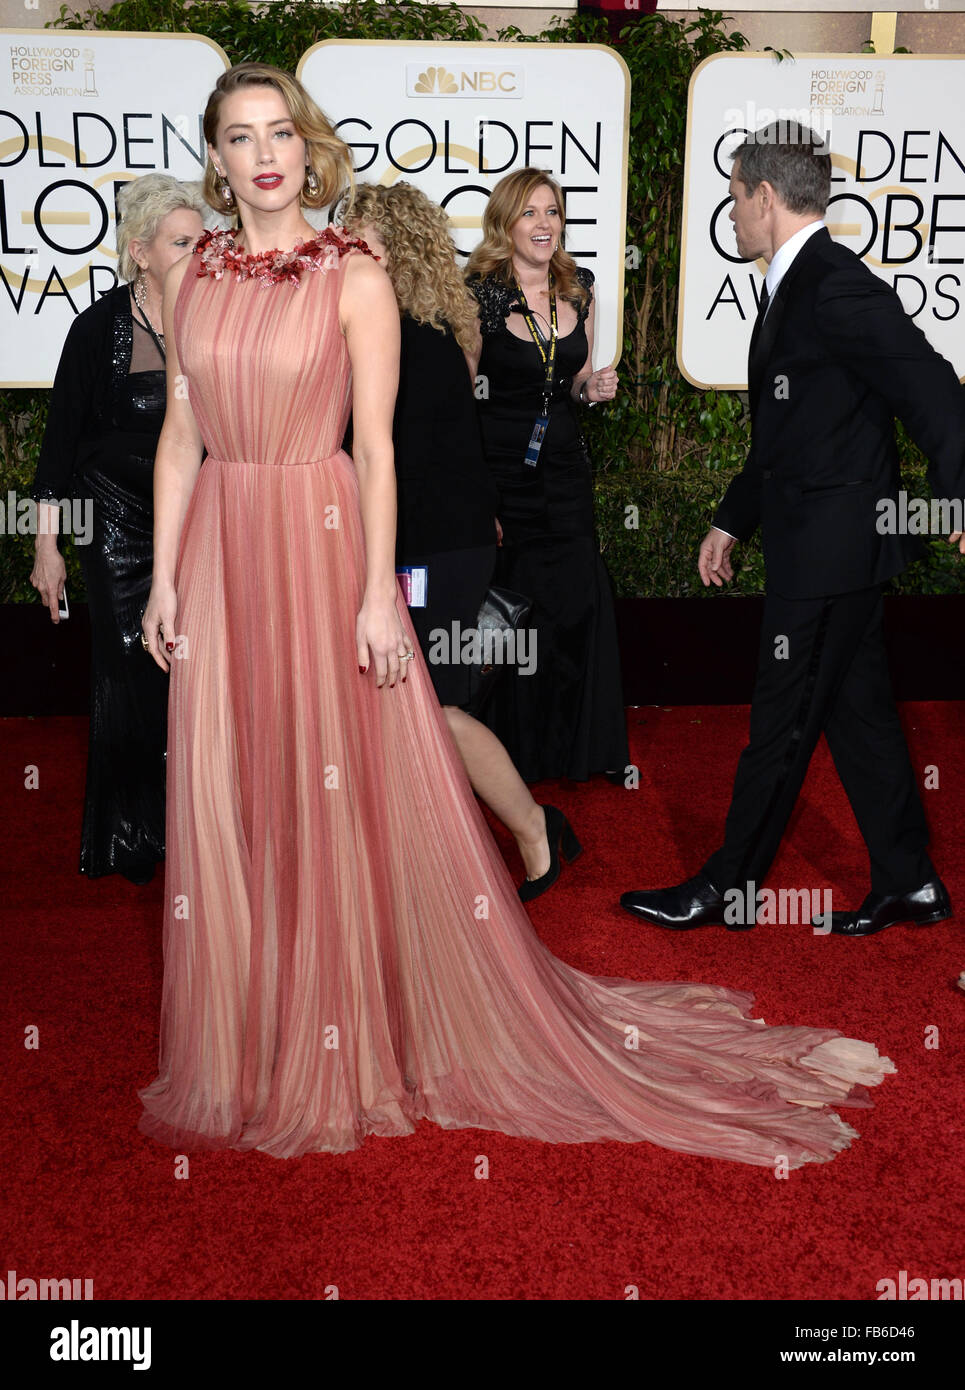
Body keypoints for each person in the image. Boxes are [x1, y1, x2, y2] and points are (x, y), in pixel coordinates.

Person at [138, 64, 894, 1167]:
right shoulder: (192, 272)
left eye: (281, 133)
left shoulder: (353, 270)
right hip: (216, 550)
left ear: (307, 148)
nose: (264, 154)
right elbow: (177, 439)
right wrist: (162, 580)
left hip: (318, 531)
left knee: (333, 777)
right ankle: (250, 1035)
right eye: (240, 136)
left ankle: (336, 1036)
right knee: (232, 782)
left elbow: (381, 450)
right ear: (214, 156)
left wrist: (372, 598)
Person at [621, 123, 965, 936]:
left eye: (734, 197)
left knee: (778, 723)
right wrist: (731, 519)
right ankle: (909, 882)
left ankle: (725, 886)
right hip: (824, 540)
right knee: (860, 716)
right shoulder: (799, 280)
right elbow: (790, 434)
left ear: (765, 197)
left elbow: (932, 386)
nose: (731, 214)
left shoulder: (833, 284)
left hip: (830, 550)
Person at [341, 180, 580, 901]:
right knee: (398, 696)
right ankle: (420, 846)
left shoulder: (397, 330)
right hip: (442, 537)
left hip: (432, 545)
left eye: (359, 239)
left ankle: (537, 830)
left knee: (433, 704)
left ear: (395, 247)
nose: (343, 251)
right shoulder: (442, 322)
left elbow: (397, 451)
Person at [29, 174, 205, 884]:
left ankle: (199, 823)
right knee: (132, 665)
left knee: (196, 671)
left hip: (195, 518)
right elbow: (58, 448)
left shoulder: (215, 318)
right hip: (113, 522)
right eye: (181, 242)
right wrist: (47, 544)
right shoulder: (98, 328)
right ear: (140, 251)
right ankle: (135, 831)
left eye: (203, 240)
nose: (198, 254)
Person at [465, 168, 629, 784]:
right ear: (505, 222)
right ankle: (515, 753)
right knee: (513, 607)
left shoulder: (579, 288)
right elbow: (464, 396)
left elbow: (576, 384)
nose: (543, 224)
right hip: (502, 473)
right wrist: (479, 496)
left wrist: (594, 388)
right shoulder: (478, 293)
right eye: (530, 212)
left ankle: (577, 748)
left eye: (552, 212)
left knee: (576, 601)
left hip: (563, 470)